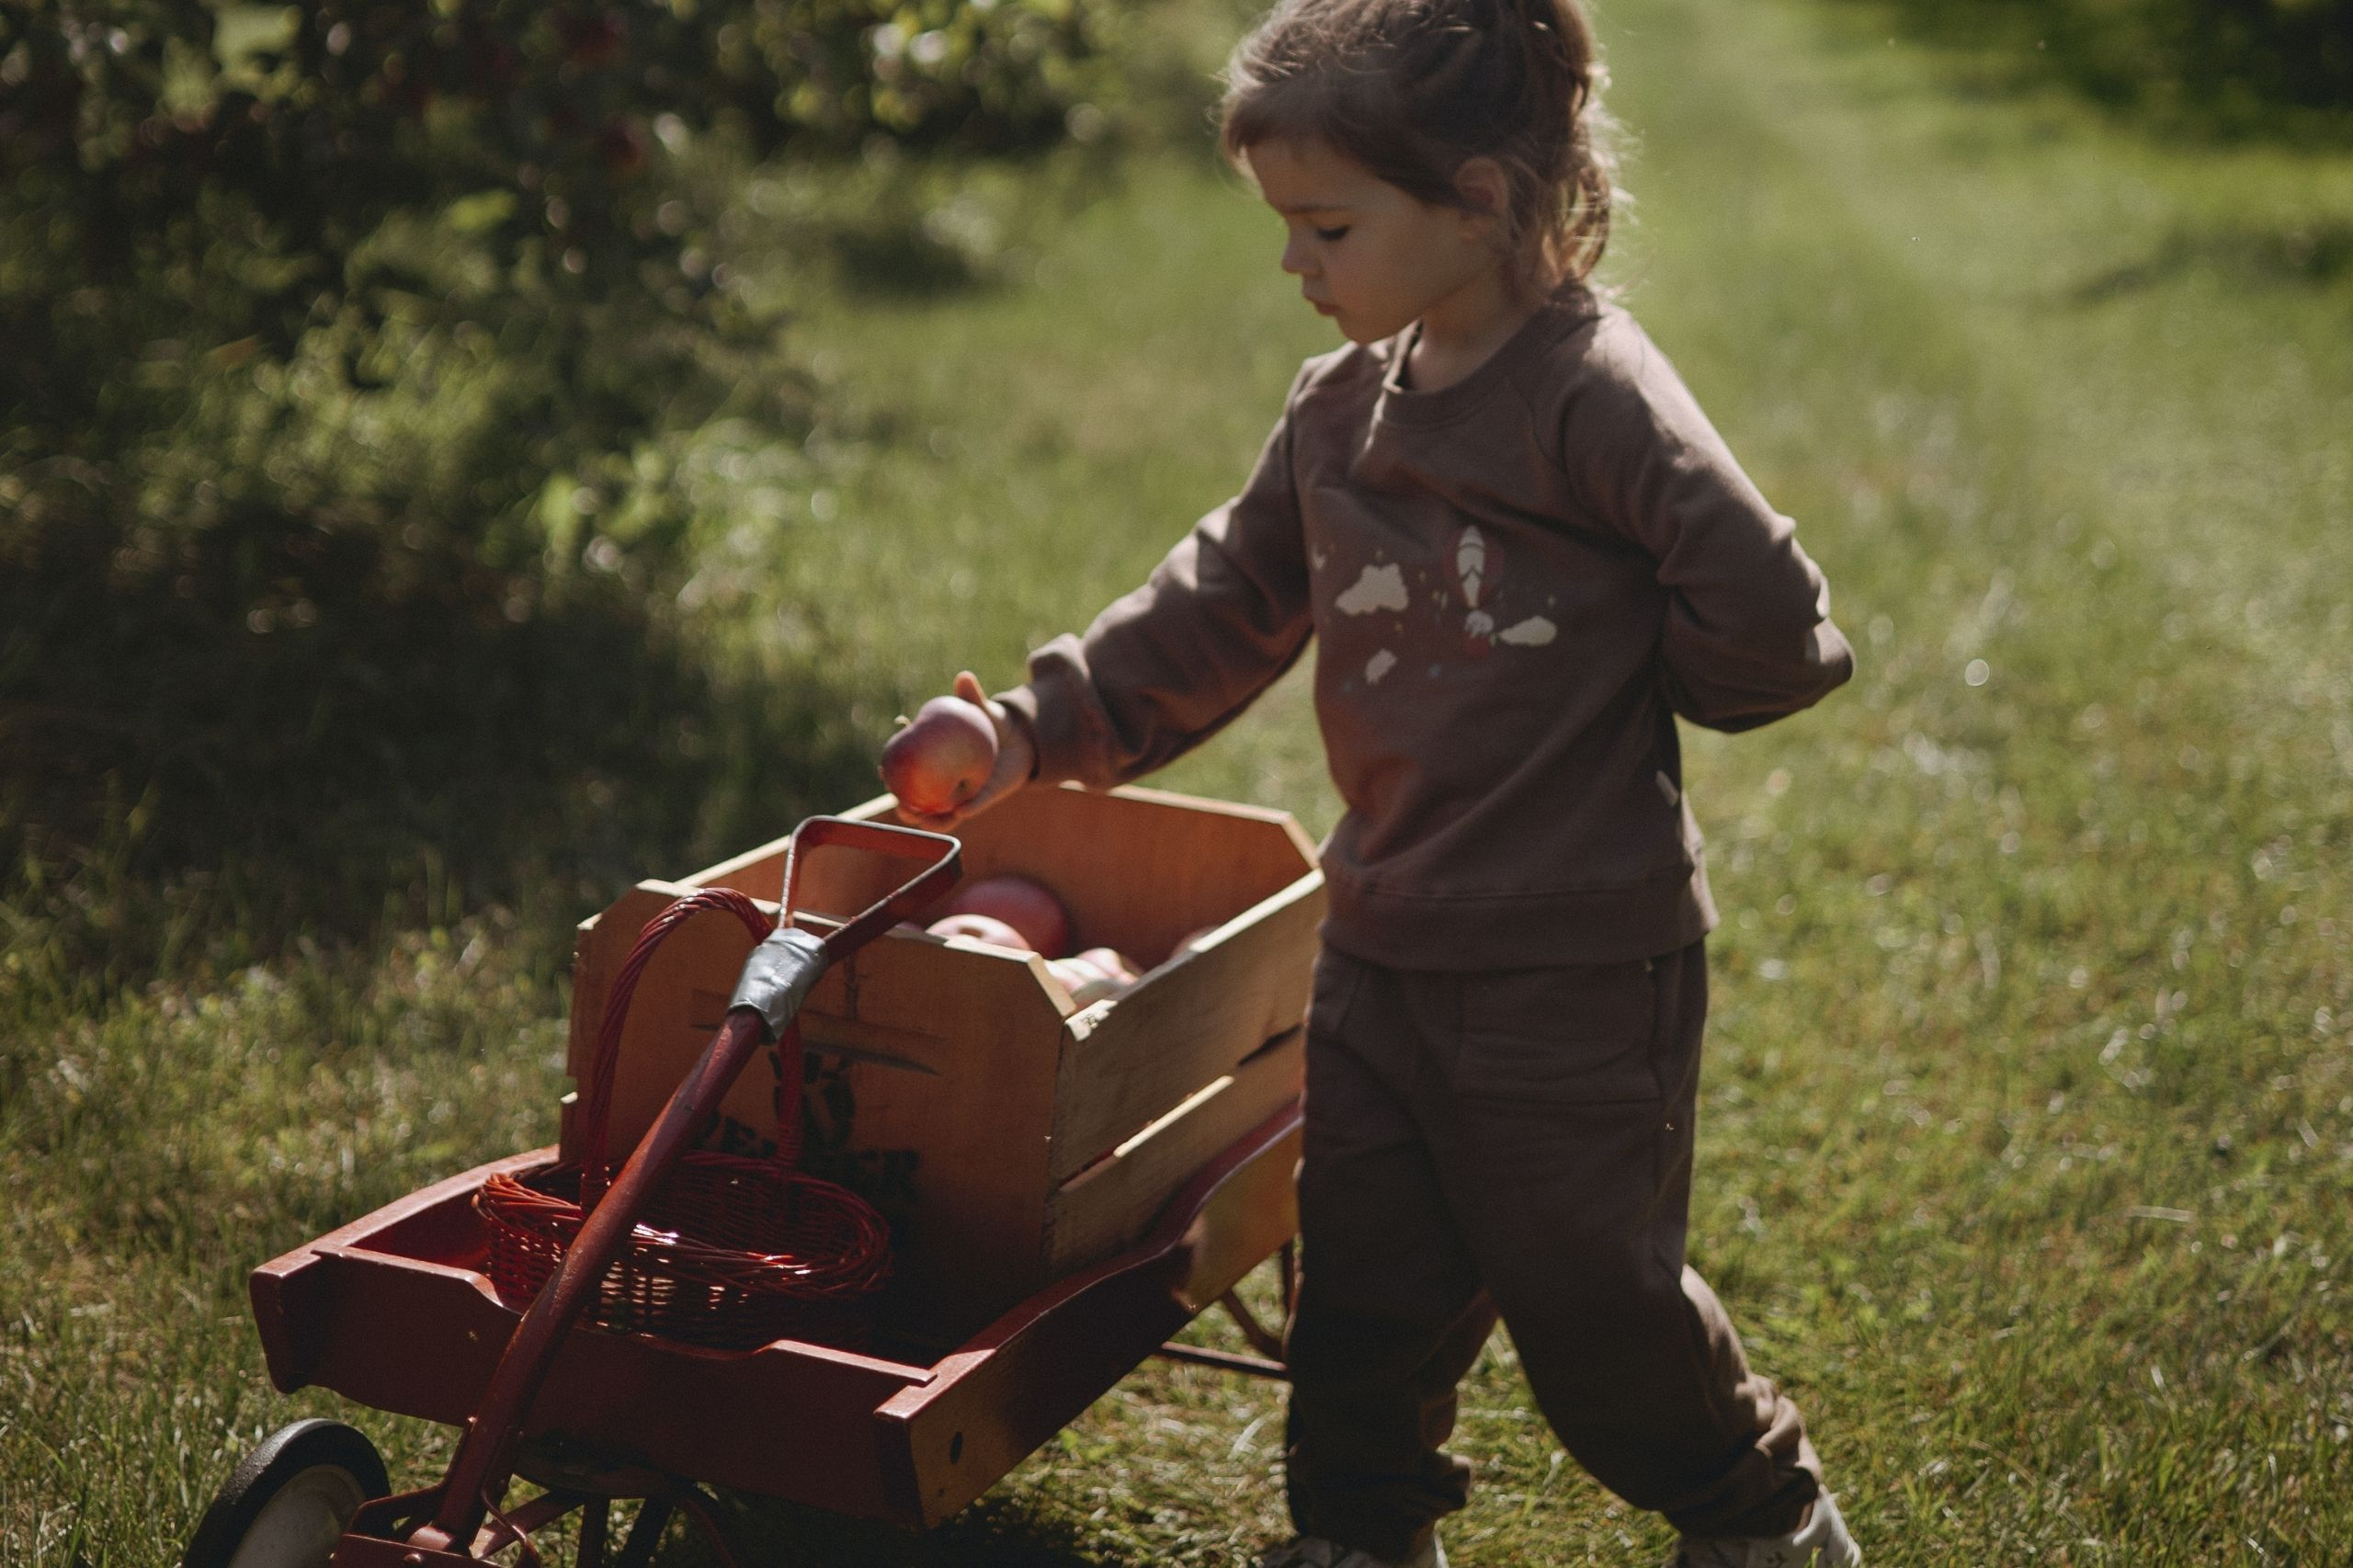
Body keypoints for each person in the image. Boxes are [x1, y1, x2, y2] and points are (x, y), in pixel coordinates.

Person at [896, 0, 1859, 1562]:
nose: (1297, 264)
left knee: (1588, 1297)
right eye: (1288, 226)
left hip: (1574, 957)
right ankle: (1359, 1534)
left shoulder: (1589, 393)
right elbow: (1214, 611)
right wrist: (1023, 732)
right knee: (1362, 1291)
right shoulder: (1340, 412)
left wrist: (1644, 684)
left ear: (1479, 198)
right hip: (1387, 938)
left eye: (1328, 226)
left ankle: (1760, 1509)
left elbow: (1774, 615)